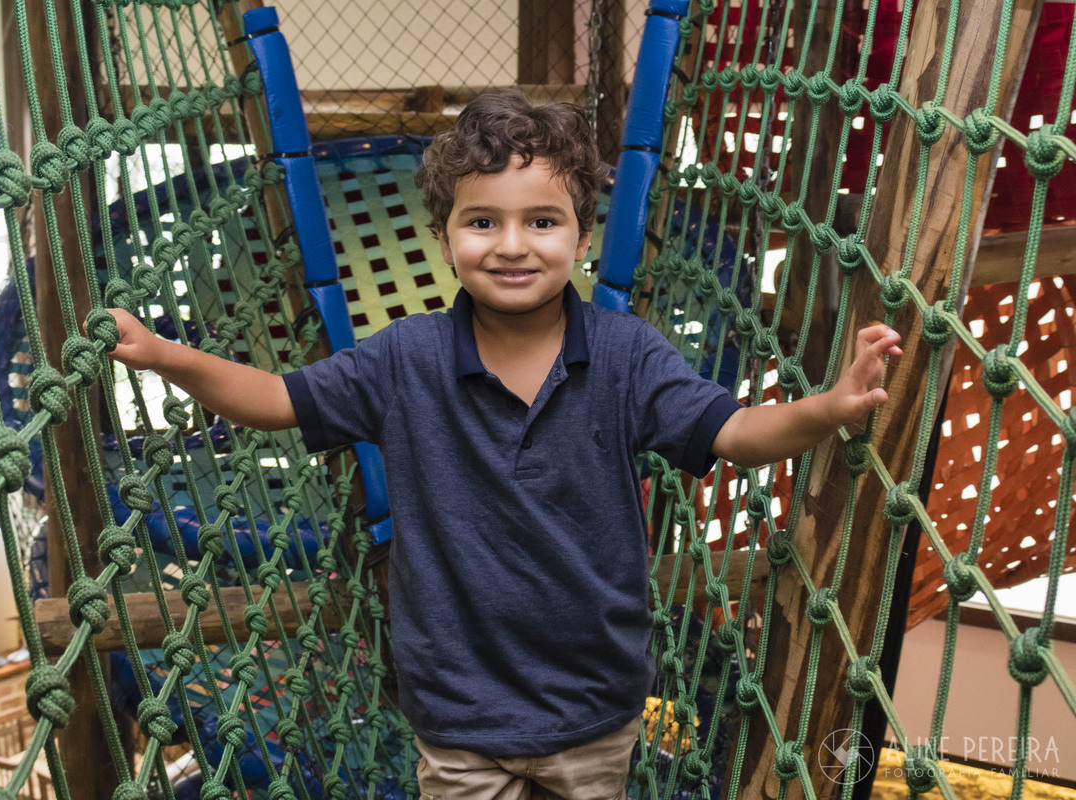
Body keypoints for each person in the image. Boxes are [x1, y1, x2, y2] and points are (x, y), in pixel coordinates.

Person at [103, 90, 901, 800]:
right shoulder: (406, 358)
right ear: (445, 238)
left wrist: (828, 406)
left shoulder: (626, 356)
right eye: (482, 221)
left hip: (593, 706)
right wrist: (168, 356)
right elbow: (278, 399)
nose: (512, 245)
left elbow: (734, 433)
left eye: (542, 221)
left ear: (581, 238)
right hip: (460, 714)